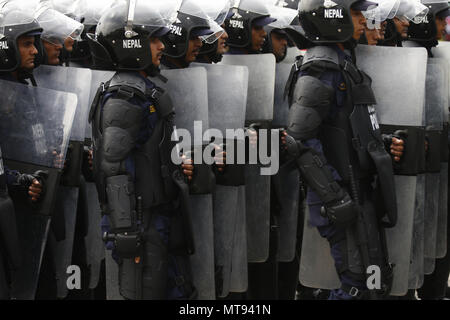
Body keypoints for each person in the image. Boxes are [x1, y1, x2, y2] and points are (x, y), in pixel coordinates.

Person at [282, 0, 405, 300]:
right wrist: (335, 197)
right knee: (358, 285)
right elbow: (298, 140)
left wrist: (383, 144)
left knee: (374, 280)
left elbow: (345, 129)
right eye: (355, 12)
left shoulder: (341, 63)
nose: (364, 19)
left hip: (357, 191)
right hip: (343, 192)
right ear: (331, 17)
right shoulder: (321, 67)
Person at [87, 0, 198, 300]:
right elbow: (114, 169)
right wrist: (127, 231)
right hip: (141, 224)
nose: (162, 46)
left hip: (157, 218)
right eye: (154, 39)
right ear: (132, 44)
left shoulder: (142, 90)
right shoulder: (125, 97)